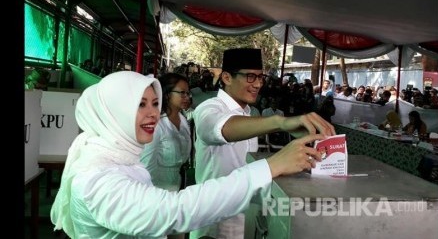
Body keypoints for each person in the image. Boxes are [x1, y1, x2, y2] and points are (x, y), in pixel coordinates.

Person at [50, 71, 326, 238]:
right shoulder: (98, 177)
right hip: (205, 213)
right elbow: (173, 210)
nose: (151, 113)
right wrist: (271, 164)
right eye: (139, 104)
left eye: (154, 104)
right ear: (112, 111)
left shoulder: (116, 153)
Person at [190, 48, 335, 239]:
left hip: (248, 211)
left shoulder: (250, 113)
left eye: (260, 77)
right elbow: (224, 128)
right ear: (226, 77)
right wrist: (279, 122)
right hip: (216, 216)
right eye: (250, 77)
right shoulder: (209, 108)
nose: (258, 84)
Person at [140, 73, 192, 192]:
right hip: (156, 190)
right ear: (167, 94)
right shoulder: (156, 124)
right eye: (182, 93)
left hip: (176, 187)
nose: (187, 97)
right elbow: (146, 165)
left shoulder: (183, 120)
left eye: (188, 93)